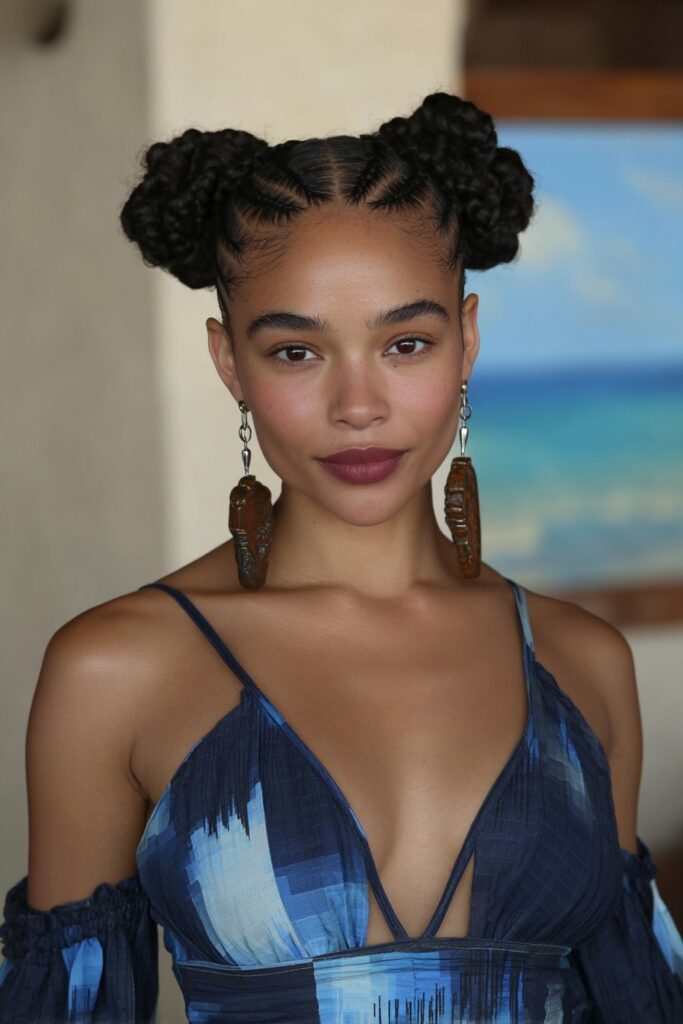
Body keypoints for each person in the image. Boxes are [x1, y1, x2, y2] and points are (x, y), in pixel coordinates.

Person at [1, 92, 682, 1024]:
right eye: (295, 352)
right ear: (229, 362)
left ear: (467, 339)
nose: (357, 404)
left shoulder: (584, 663)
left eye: (406, 343)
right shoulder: (115, 669)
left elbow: (636, 997)